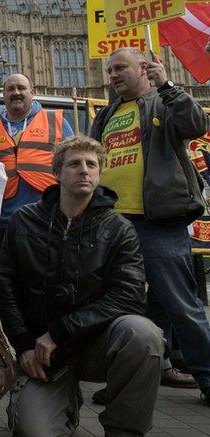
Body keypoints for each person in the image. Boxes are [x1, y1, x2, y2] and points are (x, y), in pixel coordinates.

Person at [0, 135, 162, 436]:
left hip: (97, 345)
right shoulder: (24, 221)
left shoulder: (119, 229)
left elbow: (130, 296)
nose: (84, 170)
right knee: (34, 431)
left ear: (99, 173)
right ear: (57, 173)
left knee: (143, 334)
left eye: (91, 164)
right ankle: (59, 400)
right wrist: (23, 346)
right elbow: (6, 286)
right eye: (74, 164)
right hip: (44, 356)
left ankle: (124, 430)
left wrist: (60, 331)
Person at [90, 47, 210, 399]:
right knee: (122, 305)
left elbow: (196, 124)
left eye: (119, 68)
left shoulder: (163, 102)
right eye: (109, 70)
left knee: (181, 305)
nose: (111, 75)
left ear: (144, 68)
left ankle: (208, 378)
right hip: (115, 222)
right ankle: (128, 384)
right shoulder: (108, 113)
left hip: (157, 221)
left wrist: (169, 86)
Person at [0, 73, 73, 242]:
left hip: (48, 217)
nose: (16, 92)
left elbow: (73, 163)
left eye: (21, 88)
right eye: (10, 89)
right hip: (3, 221)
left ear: (32, 92)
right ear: (3, 94)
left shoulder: (55, 120)